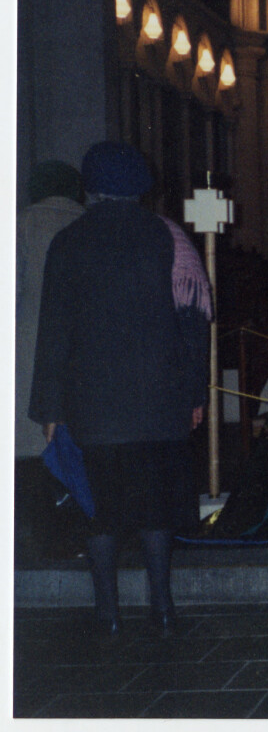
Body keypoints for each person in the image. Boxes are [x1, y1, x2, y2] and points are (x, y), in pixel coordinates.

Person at [28, 141, 211, 639]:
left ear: (91, 185)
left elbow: (55, 333)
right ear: (141, 185)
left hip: (94, 406)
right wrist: (195, 395)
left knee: (99, 510)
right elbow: (194, 325)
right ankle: (164, 608)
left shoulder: (69, 241)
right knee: (155, 509)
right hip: (160, 402)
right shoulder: (168, 236)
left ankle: (107, 613)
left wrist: (50, 409)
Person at [15, 161, 86, 560]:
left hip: (28, 353)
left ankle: (34, 539)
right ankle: (75, 535)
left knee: (29, 449)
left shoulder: (21, 225)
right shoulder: (90, 223)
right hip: (79, 355)